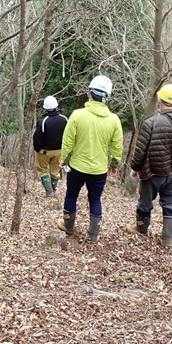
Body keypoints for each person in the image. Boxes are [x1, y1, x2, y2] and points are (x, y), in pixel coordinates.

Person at [126, 83, 172, 248]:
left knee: (145, 203)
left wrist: (135, 169)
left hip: (151, 173)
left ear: (161, 101)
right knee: (170, 206)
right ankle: (167, 239)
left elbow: (140, 151)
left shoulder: (150, 123)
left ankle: (141, 229)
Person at [58, 75, 125, 243]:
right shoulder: (114, 120)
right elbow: (117, 146)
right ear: (107, 98)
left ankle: (69, 227)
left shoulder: (77, 115)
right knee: (95, 199)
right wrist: (114, 163)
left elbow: (68, 141)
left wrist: (64, 159)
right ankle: (94, 234)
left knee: (71, 195)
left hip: (77, 167)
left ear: (90, 93)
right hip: (99, 170)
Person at [32, 96, 67, 196]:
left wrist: (37, 149)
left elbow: (37, 138)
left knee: (43, 171)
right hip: (59, 151)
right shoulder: (64, 119)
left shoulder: (43, 121)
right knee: (55, 171)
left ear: (45, 108)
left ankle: (49, 191)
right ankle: (53, 189)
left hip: (44, 152)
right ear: (56, 106)